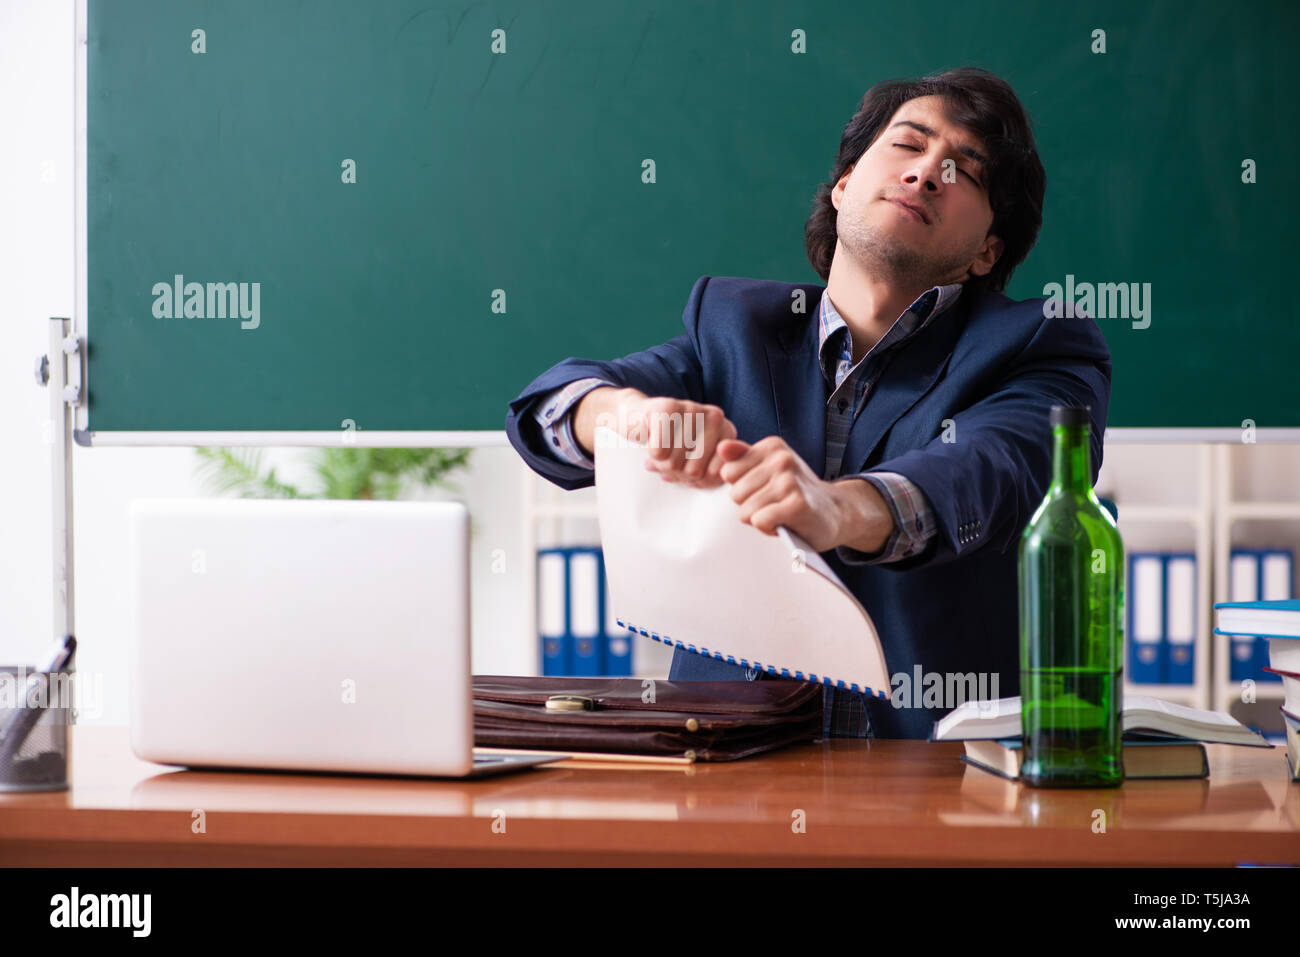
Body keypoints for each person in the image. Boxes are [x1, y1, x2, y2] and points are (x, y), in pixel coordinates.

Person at [505, 67, 1111, 739]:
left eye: (965, 172)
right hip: (725, 774)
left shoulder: (1042, 345)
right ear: (846, 183)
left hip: (940, 788)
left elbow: (992, 469)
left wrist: (841, 506)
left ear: (985, 253)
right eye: (909, 144)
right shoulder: (735, 327)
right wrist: (620, 417)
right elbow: (548, 406)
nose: (927, 173)